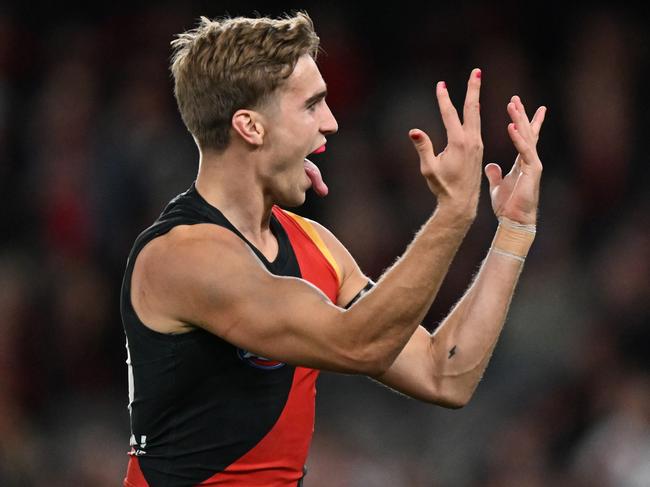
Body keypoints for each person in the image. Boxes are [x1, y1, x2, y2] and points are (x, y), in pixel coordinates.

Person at [120, 11, 546, 487]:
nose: (331, 122)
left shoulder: (315, 246)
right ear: (251, 127)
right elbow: (358, 344)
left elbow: (443, 373)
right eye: (311, 106)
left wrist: (513, 229)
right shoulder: (181, 258)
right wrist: (451, 214)